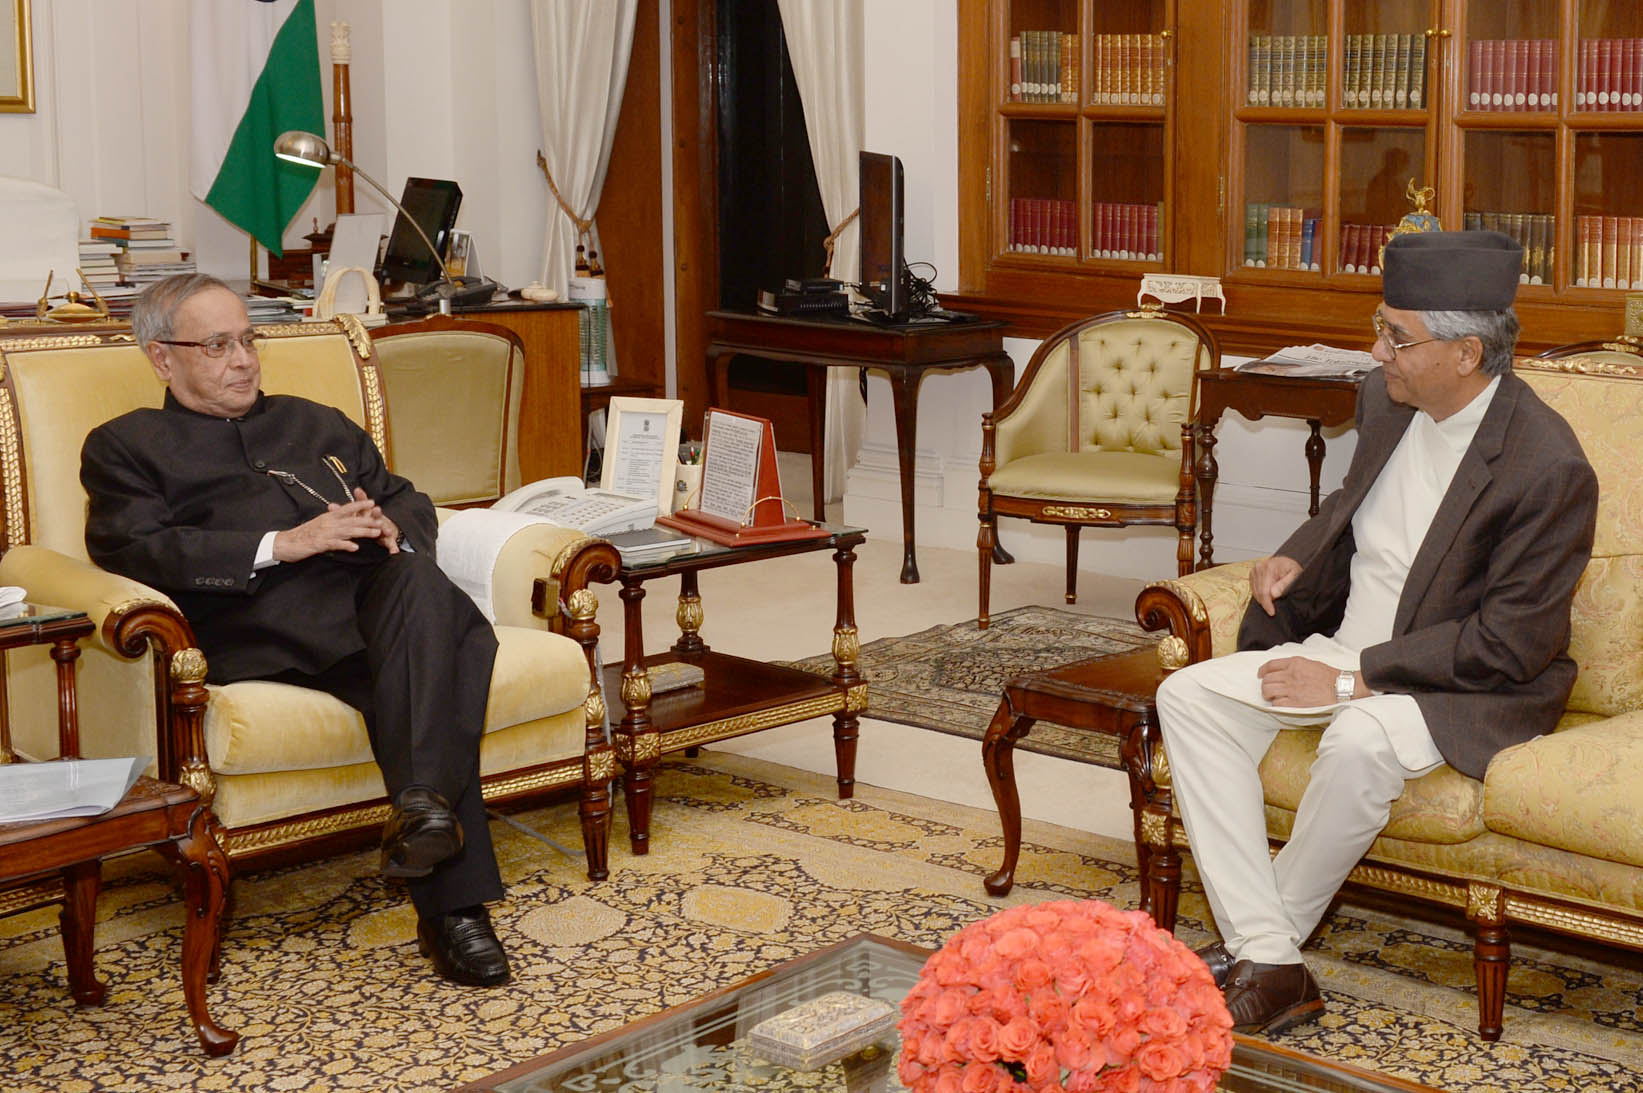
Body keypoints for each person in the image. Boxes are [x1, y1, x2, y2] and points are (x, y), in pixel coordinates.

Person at [1155, 231, 1598, 1033]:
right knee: (1186, 695)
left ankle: (1261, 950)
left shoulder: (1545, 467)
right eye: (1379, 326)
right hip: (1340, 648)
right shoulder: (1386, 402)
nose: (1376, 350)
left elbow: (1508, 642)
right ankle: (1272, 953)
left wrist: (1353, 680)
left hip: (1451, 683)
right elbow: (1355, 504)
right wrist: (1295, 555)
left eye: (1396, 335)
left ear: (1465, 352)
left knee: (1358, 737)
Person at [81, 273, 511, 988]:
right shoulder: (127, 445)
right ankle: (454, 910)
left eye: (248, 339)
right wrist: (283, 543)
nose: (243, 360)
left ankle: (421, 809)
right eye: (217, 345)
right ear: (163, 358)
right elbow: (133, 548)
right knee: (444, 646)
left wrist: (386, 527)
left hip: (375, 608)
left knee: (420, 587)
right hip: (262, 626)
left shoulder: (317, 421)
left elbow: (409, 500)